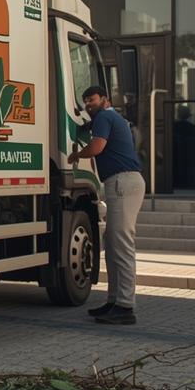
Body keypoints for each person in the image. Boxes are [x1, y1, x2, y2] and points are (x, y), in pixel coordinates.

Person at [67, 85, 145, 325]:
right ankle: (114, 301)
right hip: (124, 182)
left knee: (121, 247)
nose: (88, 104)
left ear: (105, 100)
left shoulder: (104, 116)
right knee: (112, 247)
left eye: (92, 99)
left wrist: (76, 155)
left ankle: (125, 307)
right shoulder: (112, 118)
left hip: (122, 182)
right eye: (86, 101)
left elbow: (98, 146)